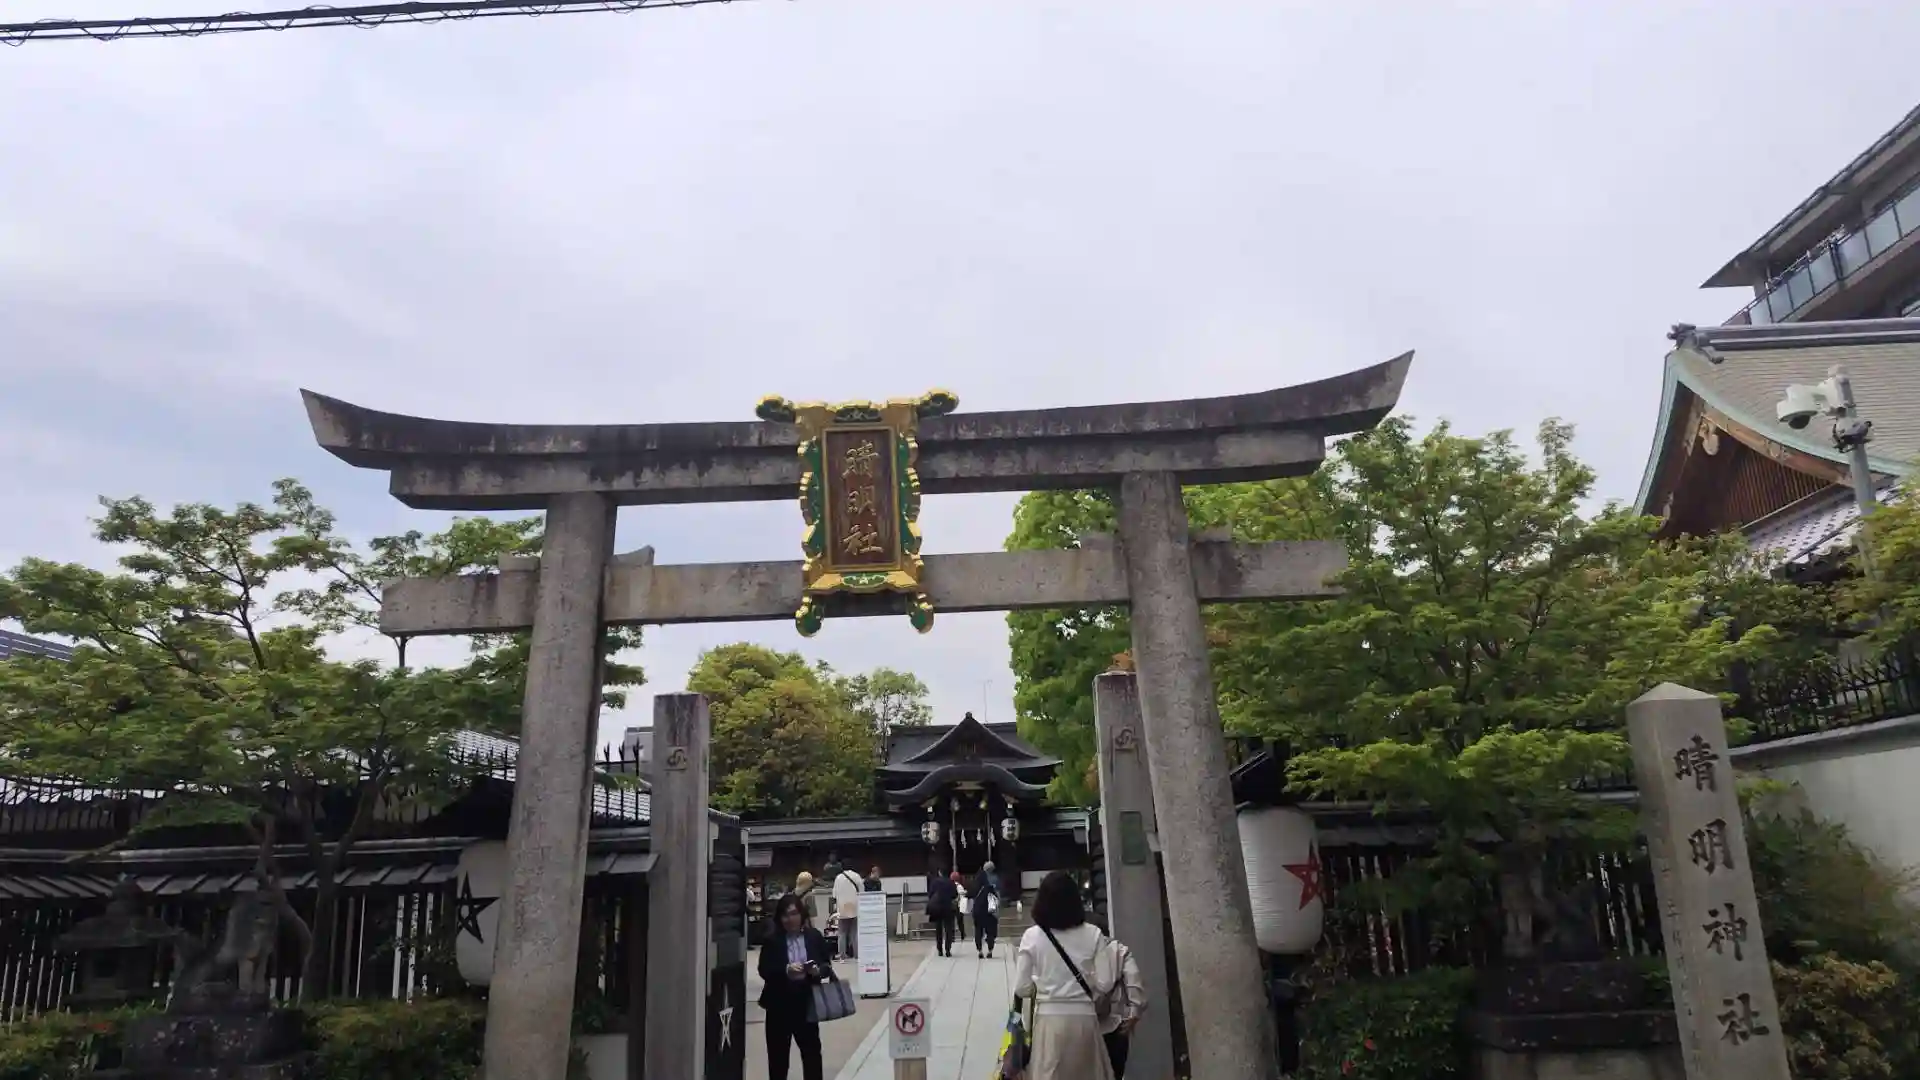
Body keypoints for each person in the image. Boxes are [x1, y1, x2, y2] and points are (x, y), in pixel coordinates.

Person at [1013, 871, 1130, 1080]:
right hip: (1084, 1020)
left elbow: (1021, 988)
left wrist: (1039, 984)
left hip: (1049, 1021)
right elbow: (1105, 983)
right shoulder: (1093, 933)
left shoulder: (1032, 936)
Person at [757, 892, 833, 1080]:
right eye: (785, 915)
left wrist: (817, 971)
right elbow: (764, 969)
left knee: (812, 1055)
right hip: (778, 1006)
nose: (790, 919)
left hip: (806, 1004)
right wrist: (785, 970)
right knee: (778, 1059)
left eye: (793, 914)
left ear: (801, 915)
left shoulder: (813, 937)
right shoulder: (772, 940)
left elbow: (826, 965)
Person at [831, 862, 864, 961]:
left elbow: (834, 894)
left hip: (843, 906)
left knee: (842, 932)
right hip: (854, 906)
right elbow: (862, 891)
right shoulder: (856, 876)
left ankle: (842, 955)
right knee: (854, 932)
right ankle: (857, 954)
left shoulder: (838, 878)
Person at [925, 867, 959, 957]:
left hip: (937, 908)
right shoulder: (951, 882)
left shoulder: (935, 882)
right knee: (948, 929)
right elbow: (955, 895)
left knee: (938, 929)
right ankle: (948, 949)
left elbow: (930, 894)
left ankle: (939, 949)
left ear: (940, 873)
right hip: (948, 908)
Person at [971, 861, 1001, 958]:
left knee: (978, 930)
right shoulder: (995, 878)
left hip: (979, 908)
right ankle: (990, 950)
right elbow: (997, 893)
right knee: (991, 930)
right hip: (990, 908)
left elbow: (973, 892)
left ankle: (979, 950)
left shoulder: (978, 878)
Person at [953, 872, 969, 942]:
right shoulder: (959, 886)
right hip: (959, 905)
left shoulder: (950, 885)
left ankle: (952, 936)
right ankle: (962, 934)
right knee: (960, 921)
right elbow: (963, 894)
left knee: (951, 921)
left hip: (952, 905)